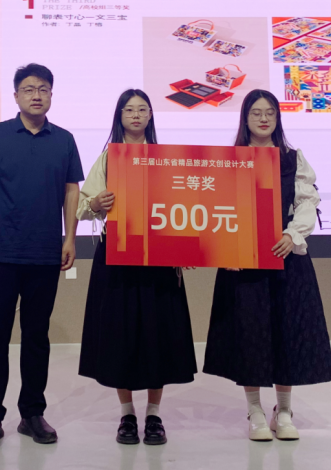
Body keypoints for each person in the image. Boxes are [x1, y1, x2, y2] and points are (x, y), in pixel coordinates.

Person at [203, 89, 331, 441]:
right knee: (249, 335)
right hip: (242, 267)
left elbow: (307, 202)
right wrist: (226, 250)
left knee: (286, 332)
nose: (263, 119)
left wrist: (293, 235)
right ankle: (255, 411)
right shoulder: (229, 160)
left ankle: (284, 410)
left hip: (285, 259)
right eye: (256, 113)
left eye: (270, 113)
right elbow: (215, 208)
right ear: (245, 118)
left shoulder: (292, 159)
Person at [0, 63, 84, 450]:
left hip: (44, 254)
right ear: (16, 95)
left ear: (51, 95)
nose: (37, 95)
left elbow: (71, 191)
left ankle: (32, 413)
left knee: (37, 337)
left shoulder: (64, 140)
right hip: (0, 253)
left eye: (44, 89)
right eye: (29, 89)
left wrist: (70, 238)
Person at [77, 89, 197, 446]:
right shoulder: (109, 158)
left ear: (150, 116)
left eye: (142, 109)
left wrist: (184, 247)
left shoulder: (166, 158)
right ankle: (127, 414)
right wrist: (96, 203)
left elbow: (185, 206)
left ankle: (154, 415)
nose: (135, 114)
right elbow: (82, 205)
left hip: (160, 259)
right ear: (120, 115)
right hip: (118, 257)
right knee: (121, 334)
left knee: (159, 334)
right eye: (129, 109)